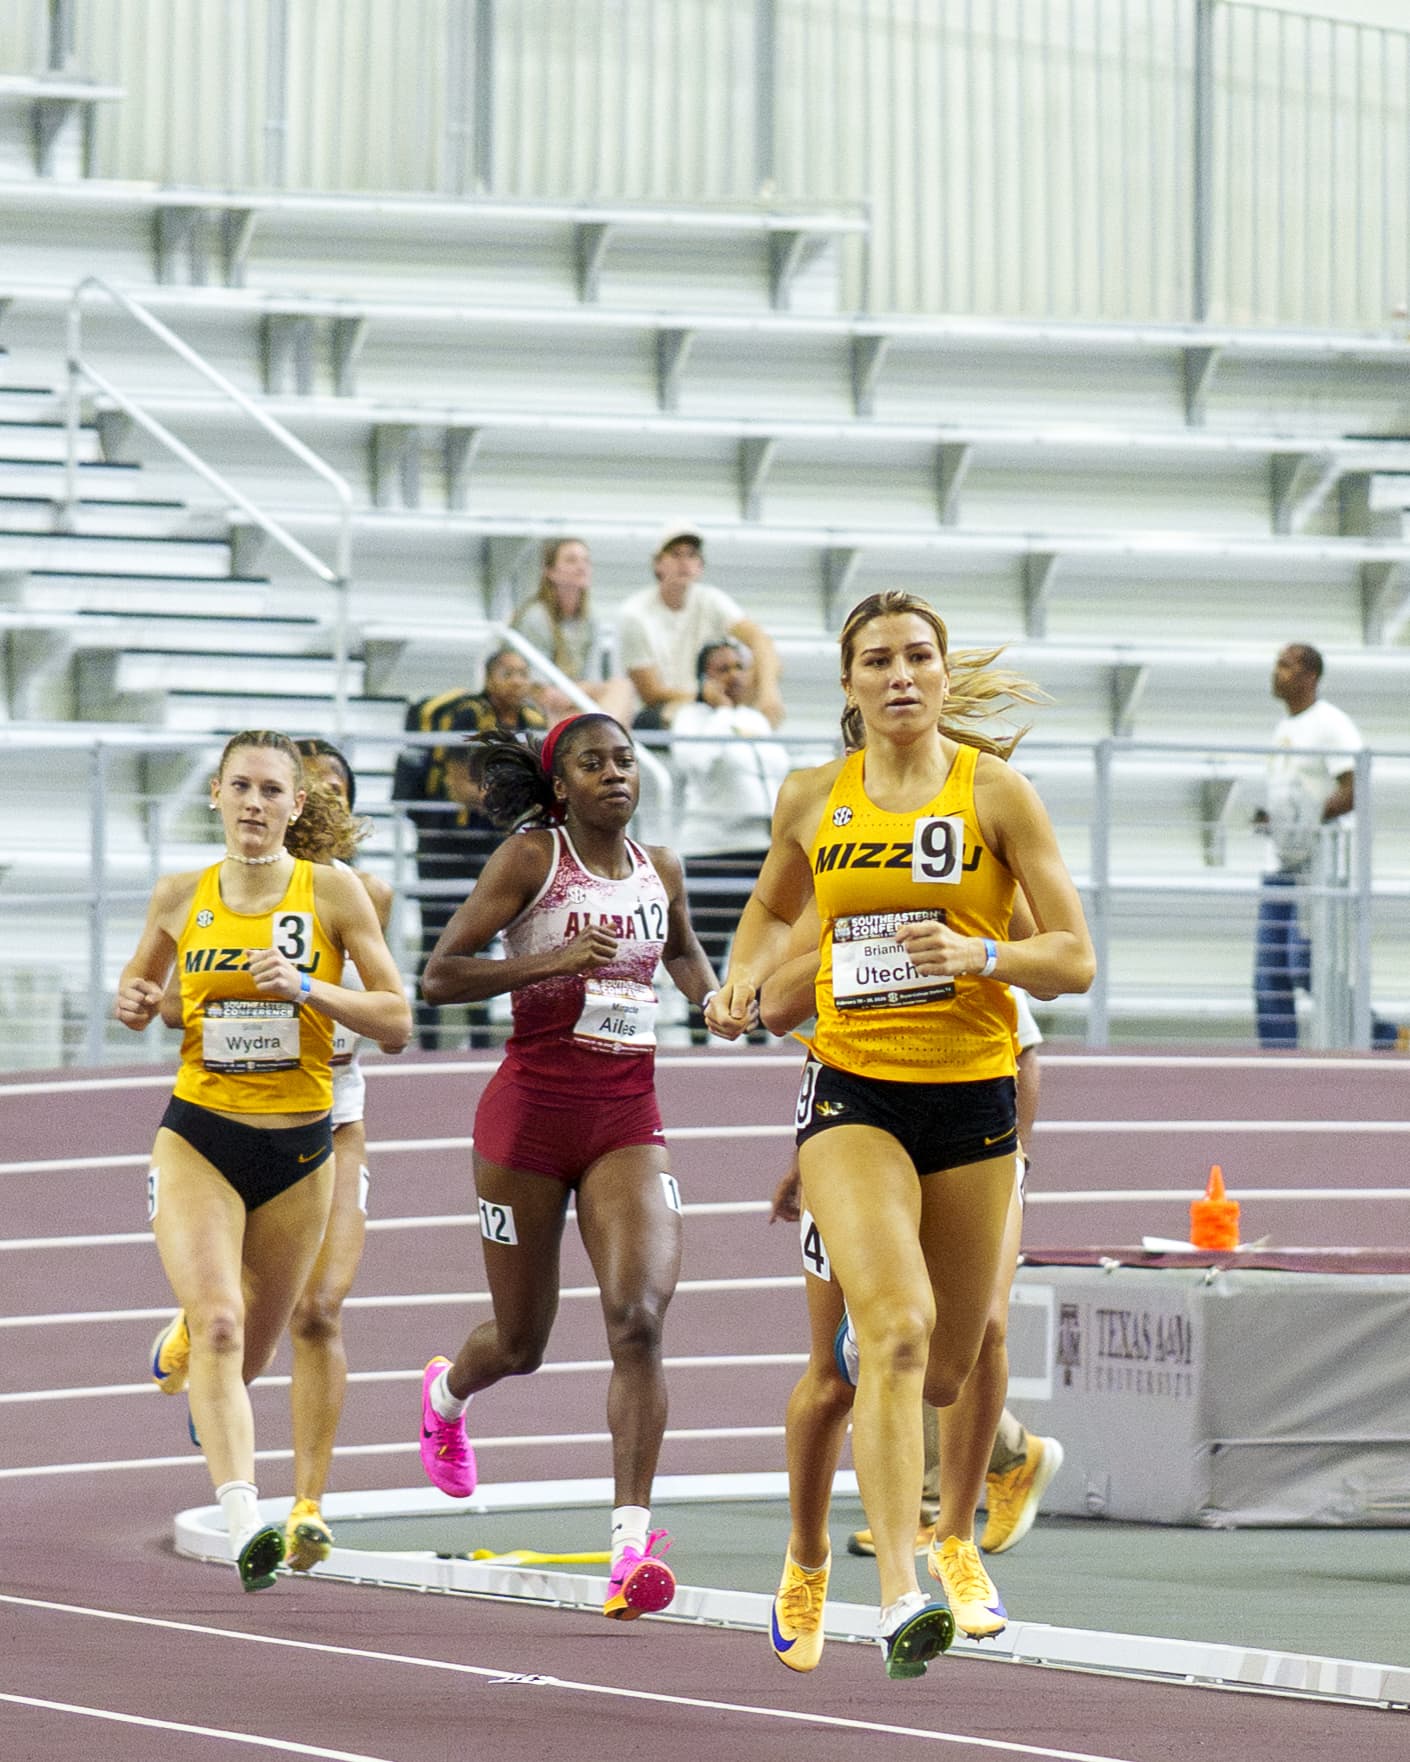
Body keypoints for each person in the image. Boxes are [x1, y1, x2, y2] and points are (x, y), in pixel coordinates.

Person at [706, 590, 1094, 1679]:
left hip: (970, 1098)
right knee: (896, 1333)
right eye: (878, 659)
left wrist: (979, 958)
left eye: (919, 655)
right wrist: (742, 974)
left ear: (940, 671)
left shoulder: (997, 795)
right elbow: (772, 912)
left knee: (952, 1364)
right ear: (850, 684)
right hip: (852, 1095)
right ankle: (887, 1587)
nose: (902, 674)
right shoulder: (812, 795)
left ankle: (960, 1529)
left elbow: (1073, 958)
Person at [412, 712, 720, 1621]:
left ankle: (630, 1546)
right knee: (522, 1344)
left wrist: (716, 999)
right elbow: (440, 974)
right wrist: (549, 959)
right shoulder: (531, 861)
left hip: (627, 1117)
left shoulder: (661, 868)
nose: (616, 774)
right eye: (594, 764)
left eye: (625, 760)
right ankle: (445, 1392)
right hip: (528, 1125)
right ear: (561, 787)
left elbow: (682, 950)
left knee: (638, 1320)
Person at [117, 730, 411, 1591]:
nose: (254, 803)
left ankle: (193, 1359)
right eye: (239, 787)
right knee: (218, 1321)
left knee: (252, 1348)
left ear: (296, 806)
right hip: (200, 1133)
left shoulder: (336, 891)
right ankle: (249, 1520)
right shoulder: (180, 894)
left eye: (271, 791)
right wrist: (134, 999)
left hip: (303, 1147)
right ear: (215, 795)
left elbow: (395, 1021)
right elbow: (147, 998)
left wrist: (307, 987)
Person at [392, 647, 547, 1049]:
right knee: (437, 934)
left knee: (486, 936)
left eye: (523, 673)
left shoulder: (532, 720)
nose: (517, 682)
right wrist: (510, 801)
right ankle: (426, 1036)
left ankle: (480, 1038)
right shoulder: (469, 715)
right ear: (490, 677)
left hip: (496, 840)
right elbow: (461, 785)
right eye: (508, 673)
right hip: (447, 839)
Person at [1253, 643, 1396, 1050]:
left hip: (1315, 868)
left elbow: (1355, 787)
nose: (1275, 671)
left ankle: (1380, 1035)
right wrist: (1275, 820)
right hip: (1279, 865)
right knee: (1269, 974)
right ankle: (1275, 1065)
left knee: (1304, 966)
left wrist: (1306, 821)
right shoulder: (1283, 728)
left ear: (1309, 676)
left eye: (1285, 665)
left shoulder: (1331, 723)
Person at [671, 638, 792, 1041]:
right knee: (709, 946)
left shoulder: (756, 719)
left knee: (756, 949)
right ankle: (697, 1033)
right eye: (722, 668)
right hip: (712, 847)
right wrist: (719, 714)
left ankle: (754, 1030)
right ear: (704, 676)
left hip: (761, 847)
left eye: (739, 667)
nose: (733, 675)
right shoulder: (690, 717)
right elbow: (694, 764)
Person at [614, 527, 784, 730]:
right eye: (676, 554)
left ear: (700, 565)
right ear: (658, 564)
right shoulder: (634, 613)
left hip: (711, 704)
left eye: (691, 555)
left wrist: (768, 693)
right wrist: (704, 697)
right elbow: (650, 693)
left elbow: (760, 639)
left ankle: (750, 728)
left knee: (766, 666)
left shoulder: (711, 600)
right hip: (660, 712)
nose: (684, 562)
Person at [510, 537, 635, 725]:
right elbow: (537, 686)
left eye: (586, 560)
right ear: (550, 571)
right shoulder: (536, 617)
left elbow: (595, 679)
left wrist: (578, 692)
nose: (581, 566)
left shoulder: (592, 618)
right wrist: (575, 693)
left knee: (622, 687)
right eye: (571, 560)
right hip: (541, 704)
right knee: (562, 707)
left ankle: (603, 739)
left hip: (577, 698)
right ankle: (597, 737)